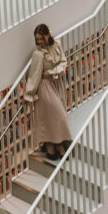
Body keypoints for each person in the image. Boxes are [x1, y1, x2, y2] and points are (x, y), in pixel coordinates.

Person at [23, 24, 72, 160]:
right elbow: (34, 76)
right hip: (44, 88)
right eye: (36, 39)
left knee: (55, 117)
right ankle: (53, 145)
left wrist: (52, 72)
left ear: (47, 36)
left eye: (41, 39)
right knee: (57, 116)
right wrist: (29, 94)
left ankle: (55, 146)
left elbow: (63, 62)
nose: (39, 42)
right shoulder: (38, 54)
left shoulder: (56, 45)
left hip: (56, 83)